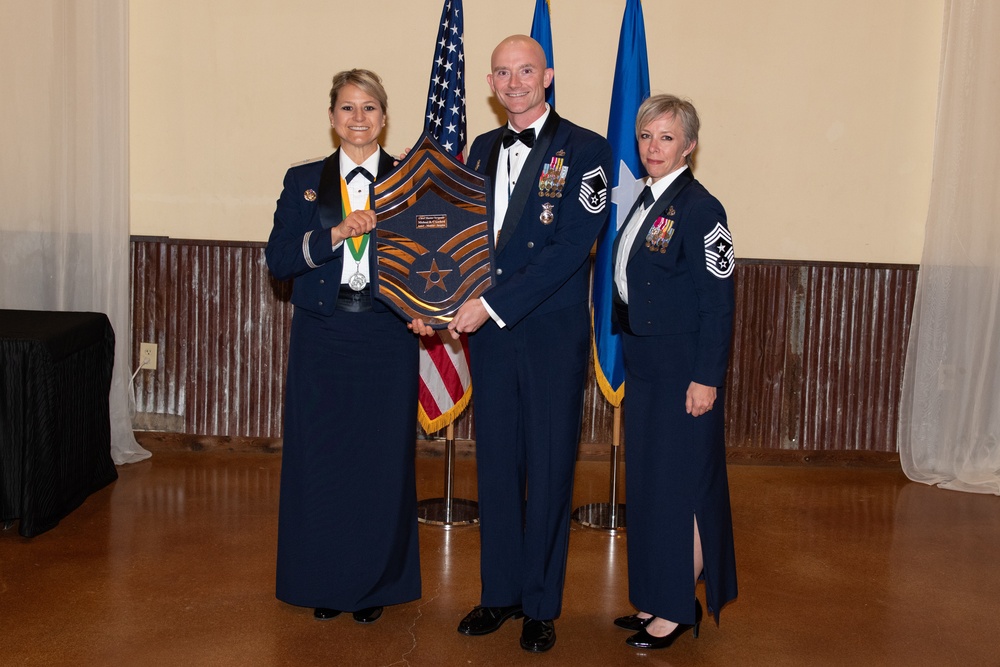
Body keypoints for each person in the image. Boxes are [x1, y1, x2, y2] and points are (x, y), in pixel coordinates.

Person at [412, 35, 612, 653]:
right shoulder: (481, 147)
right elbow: (464, 238)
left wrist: (488, 306)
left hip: (548, 333)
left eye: (525, 70)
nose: (514, 82)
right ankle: (498, 593)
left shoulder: (589, 150)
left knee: (551, 469)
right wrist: (433, 302)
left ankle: (541, 604)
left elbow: (569, 248)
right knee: (496, 464)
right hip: (489, 335)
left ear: (547, 75)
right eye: (502, 72)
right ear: (492, 83)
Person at [266, 69, 420, 625]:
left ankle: (376, 583)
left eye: (370, 108)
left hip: (387, 336)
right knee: (321, 462)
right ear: (333, 118)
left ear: (384, 116)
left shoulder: (408, 179)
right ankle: (324, 581)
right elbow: (279, 259)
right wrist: (334, 235)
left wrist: (431, 311)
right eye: (348, 108)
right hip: (323, 337)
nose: (359, 119)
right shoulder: (304, 179)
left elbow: (429, 263)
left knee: (382, 464)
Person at [607, 94, 738, 649]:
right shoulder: (647, 200)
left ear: (689, 145)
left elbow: (719, 301)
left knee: (684, 487)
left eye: (666, 138)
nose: (653, 148)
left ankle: (678, 606)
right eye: (645, 137)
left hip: (685, 371)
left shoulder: (704, 209)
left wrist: (706, 377)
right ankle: (658, 595)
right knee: (654, 487)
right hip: (648, 366)